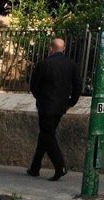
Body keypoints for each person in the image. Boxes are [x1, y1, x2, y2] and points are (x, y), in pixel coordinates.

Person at [27, 37, 82, 181]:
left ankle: (60, 166)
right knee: (45, 135)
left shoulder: (44, 64)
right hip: (61, 107)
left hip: (46, 106)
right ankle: (35, 167)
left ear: (51, 48)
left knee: (48, 135)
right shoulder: (72, 65)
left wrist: (40, 98)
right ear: (63, 49)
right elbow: (78, 86)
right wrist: (70, 103)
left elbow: (34, 86)